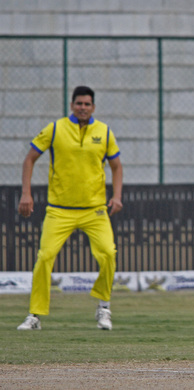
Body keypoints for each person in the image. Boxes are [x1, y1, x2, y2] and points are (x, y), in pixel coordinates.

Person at [17, 86, 123, 331]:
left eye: (87, 104)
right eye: (79, 104)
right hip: (59, 209)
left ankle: (103, 307)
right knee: (44, 257)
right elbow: (29, 159)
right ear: (72, 105)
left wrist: (116, 196)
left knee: (108, 253)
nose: (83, 108)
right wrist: (26, 193)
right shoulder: (55, 129)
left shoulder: (104, 132)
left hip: (94, 209)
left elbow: (116, 166)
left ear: (93, 107)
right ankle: (34, 315)